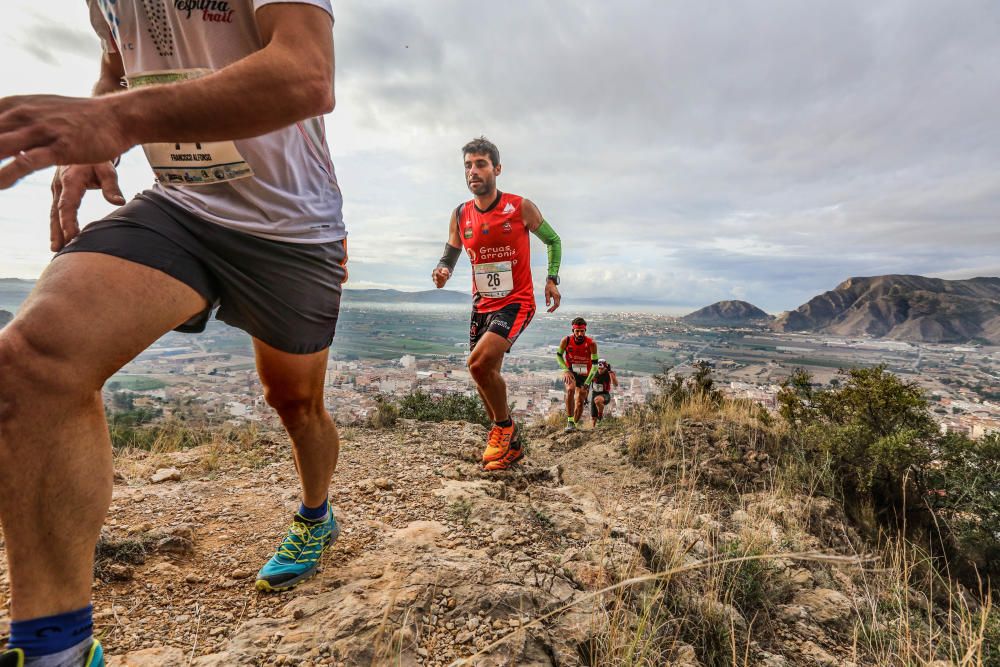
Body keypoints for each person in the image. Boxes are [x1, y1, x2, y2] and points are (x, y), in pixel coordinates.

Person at [0, 2, 344, 664]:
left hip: (290, 227)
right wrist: (88, 146)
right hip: (180, 204)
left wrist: (114, 120)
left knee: (294, 402)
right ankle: (56, 648)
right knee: (31, 357)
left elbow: (307, 73)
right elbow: (117, 64)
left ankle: (316, 512)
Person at [432, 137, 562, 471]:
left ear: (496, 169)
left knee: (477, 365)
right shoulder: (461, 214)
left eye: (480, 164)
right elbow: (451, 251)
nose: (473, 171)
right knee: (485, 377)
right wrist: (443, 269)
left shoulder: (520, 207)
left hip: (516, 302)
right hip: (482, 305)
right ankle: (512, 448)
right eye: (468, 166)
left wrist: (551, 279)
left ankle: (503, 429)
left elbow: (553, 240)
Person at [556, 317, 599, 431]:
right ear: (573, 330)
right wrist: (565, 369)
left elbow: (595, 365)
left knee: (580, 401)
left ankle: (574, 424)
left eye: (582, 331)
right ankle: (570, 422)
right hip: (572, 371)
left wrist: (588, 382)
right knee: (570, 389)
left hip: (586, 375)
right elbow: (559, 355)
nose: (580, 334)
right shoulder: (566, 340)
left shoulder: (591, 343)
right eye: (577, 331)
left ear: (585, 330)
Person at [589, 359, 619, 426]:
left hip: (605, 394)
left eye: (602, 369)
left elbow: (615, 384)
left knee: (597, 400)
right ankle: (594, 429)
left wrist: (610, 372)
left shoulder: (609, 373)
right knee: (593, 418)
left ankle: (600, 419)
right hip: (595, 393)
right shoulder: (593, 372)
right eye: (599, 368)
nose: (600, 370)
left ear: (605, 367)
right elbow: (588, 383)